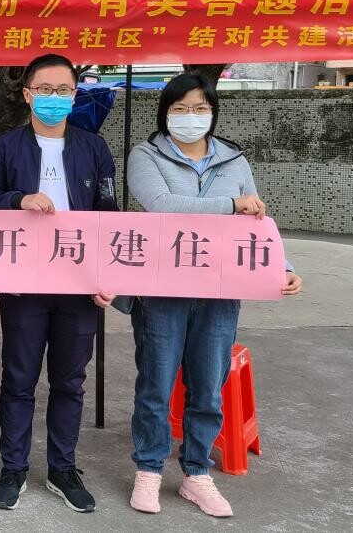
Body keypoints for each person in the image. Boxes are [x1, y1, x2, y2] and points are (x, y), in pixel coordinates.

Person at [123, 71, 301, 518]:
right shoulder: (146, 155)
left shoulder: (233, 160)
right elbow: (162, 205)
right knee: (156, 384)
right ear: (165, 113)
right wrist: (230, 206)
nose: (190, 117)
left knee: (207, 386)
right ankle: (149, 468)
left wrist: (282, 267)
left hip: (221, 290)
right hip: (162, 288)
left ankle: (196, 472)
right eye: (180, 109)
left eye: (200, 108)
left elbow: (255, 221)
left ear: (213, 112)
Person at [0, 53, 118, 514]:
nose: (53, 98)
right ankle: (13, 468)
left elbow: (108, 216)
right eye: (44, 90)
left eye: (63, 91)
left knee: (69, 382)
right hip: (23, 282)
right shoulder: (5, 147)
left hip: (78, 283)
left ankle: (62, 468)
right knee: (19, 379)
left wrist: (105, 275)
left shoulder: (93, 148)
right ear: (27, 94)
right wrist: (19, 200)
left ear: (75, 96)